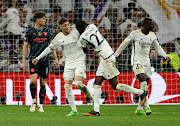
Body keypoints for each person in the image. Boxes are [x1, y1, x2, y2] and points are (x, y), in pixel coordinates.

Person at [75, 20, 148, 116]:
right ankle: (96, 110)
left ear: (80, 29)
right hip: (107, 54)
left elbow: (85, 50)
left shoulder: (82, 38)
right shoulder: (92, 26)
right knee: (97, 83)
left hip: (106, 58)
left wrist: (81, 45)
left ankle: (141, 92)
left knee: (115, 85)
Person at [32, 18, 94, 116]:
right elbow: (49, 48)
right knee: (67, 86)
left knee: (78, 83)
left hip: (80, 61)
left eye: (68, 24)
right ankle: (74, 110)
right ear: (60, 27)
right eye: (65, 25)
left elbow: (88, 34)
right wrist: (38, 58)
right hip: (69, 63)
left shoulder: (76, 31)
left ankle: (91, 97)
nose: (67, 27)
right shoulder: (58, 38)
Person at [114, 18, 171, 115]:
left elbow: (157, 47)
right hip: (136, 61)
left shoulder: (152, 35)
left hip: (146, 62)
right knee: (143, 82)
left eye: (153, 24)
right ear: (145, 25)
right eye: (151, 24)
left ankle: (140, 108)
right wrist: (115, 56)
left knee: (145, 86)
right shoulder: (135, 34)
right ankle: (147, 106)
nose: (152, 26)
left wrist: (165, 55)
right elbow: (124, 43)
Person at [22, 11, 59, 113]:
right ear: (37, 20)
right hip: (33, 59)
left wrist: (55, 58)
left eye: (45, 19)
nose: (45, 20)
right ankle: (34, 102)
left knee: (43, 83)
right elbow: (25, 46)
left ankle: (41, 105)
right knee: (33, 81)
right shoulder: (30, 32)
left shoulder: (48, 31)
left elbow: (52, 46)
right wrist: (23, 61)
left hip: (44, 60)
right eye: (43, 18)